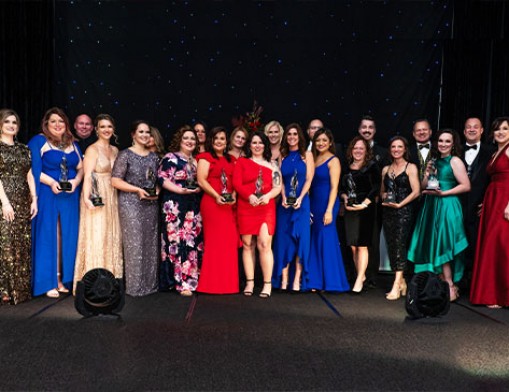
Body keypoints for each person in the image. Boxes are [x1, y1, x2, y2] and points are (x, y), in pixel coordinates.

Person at [407, 129, 470, 302]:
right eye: (440, 141)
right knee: (434, 243)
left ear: (453, 144)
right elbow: (424, 186)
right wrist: (427, 174)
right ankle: (440, 285)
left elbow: (466, 185)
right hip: (432, 205)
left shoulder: (455, 160)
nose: (443, 144)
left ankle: (450, 285)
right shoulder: (434, 161)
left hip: (448, 205)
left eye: (447, 141)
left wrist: (444, 193)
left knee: (445, 243)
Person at [28, 107, 83, 298]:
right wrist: (51, 182)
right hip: (47, 192)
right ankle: (47, 282)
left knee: (66, 235)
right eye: (53, 121)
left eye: (61, 121)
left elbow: (81, 168)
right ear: (46, 124)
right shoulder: (39, 141)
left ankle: (63, 278)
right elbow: (33, 169)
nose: (57, 125)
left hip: (69, 195)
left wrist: (76, 181)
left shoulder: (73, 144)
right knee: (48, 234)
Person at [73, 114, 122, 292]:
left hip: (113, 194)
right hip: (96, 193)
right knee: (97, 234)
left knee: (111, 234)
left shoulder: (116, 150)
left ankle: (111, 279)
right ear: (96, 129)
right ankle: (93, 282)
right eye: (102, 127)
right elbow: (87, 177)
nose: (106, 130)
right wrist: (86, 198)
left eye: (109, 126)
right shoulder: (92, 150)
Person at [111, 120, 159, 297]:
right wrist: (137, 190)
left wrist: (157, 192)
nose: (145, 135)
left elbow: (157, 181)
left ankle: (150, 284)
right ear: (133, 135)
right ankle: (135, 286)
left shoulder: (154, 157)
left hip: (150, 203)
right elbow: (115, 180)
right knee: (134, 243)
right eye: (141, 132)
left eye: (147, 132)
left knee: (150, 242)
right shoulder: (125, 155)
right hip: (131, 203)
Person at [233, 131, 281, 298]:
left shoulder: (272, 165)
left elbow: (278, 187)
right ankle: (250, 282)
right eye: (254, 142)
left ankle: (267, 284)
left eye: (260, 143)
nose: (257, 145)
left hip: (265, 208)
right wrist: (250, 196)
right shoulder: (242, 162)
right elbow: (236, 184)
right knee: (247, 245)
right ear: (249, 145)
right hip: (246, 206)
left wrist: (267, 197)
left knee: (264, 244)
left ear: (265, 145)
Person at [158, 126, 203, 296]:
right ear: (180, 140)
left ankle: (190, 280)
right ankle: (178, 282)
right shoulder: (170, 158)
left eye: (193, 139)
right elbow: (162, 179)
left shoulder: (196, 161)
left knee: (190, 242)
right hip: (175, 206)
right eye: (186, 138)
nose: (190, 141)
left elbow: (200, 182)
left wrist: (198, 188)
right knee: (175, 242)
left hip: (192, 205)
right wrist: (180, 190)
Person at [470, 117, 509, 308]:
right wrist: (485, 202)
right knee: (492, 246)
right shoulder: (496, 152)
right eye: (497, 129)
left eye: (505, 129)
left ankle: (502, 296)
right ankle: (493, 294)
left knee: (501, 246)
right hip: (493, 201)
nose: (500, 132)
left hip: (505, 200)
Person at [0, 109, 37, 304]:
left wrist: (35, 200)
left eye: (14, 122)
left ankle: (20, 291)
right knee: (5, 244)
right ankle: (4, 291)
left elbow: (29, 175)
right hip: (3, 199)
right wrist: (5, 203)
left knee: (21, 244)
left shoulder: (24, 149)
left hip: (23, 199)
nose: (11, 125)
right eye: (7, 121)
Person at [196, 126, 238, 294]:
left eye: (222, 138)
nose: (219, 141)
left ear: (226, 141)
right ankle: (211, 284)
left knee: (228, 243)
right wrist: (216, 196)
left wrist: (233, 195)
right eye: (216, 138)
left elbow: (236, 180)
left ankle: (229, 284)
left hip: (228, 205)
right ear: (211, 141)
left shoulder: (232, 159)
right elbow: (201, 180)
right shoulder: (205, 158)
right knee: (214, 243)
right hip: (212, 204)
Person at [272, 123, 314, 292]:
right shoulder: (283, 156)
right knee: (283, 241)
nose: (291, 137)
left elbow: (309, 179)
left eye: (295, 134)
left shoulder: (307, 155)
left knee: (300, 241)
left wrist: (301, 198)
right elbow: (280, 180)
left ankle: (297, 280)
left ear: (300, 137)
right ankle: (284, 279)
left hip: (302, 204)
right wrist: (282, 197)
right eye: (289, 134)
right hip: (284, 205)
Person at [307, 128, 349, 292]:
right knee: (314, 240)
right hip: (314, 203)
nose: (321, 143)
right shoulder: (313, 159)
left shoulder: (334, 161)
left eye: (324, 140)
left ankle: (330, 282)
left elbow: (334, 188)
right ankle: (315, 281)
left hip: (327, 203)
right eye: (318, 140)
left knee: (327, 239)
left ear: (330, 142)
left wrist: (329, 210)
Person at [380, 136, 420, 300]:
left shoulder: (411, 167)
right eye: (393, 147)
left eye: (399, 147)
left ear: (405, 149)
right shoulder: (385, 169)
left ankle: (396, 284)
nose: (396, 149)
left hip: (404, 212)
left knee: (400, 245)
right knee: (391, 245)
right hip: (388, 212)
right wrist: (384, 197)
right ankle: (402, 281)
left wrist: (400, 204)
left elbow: (416, 191)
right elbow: (382, 191)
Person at [341, 136, 381, 293]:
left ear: (366, 151)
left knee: (362, 245)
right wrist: (344, 199)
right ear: (351, 150)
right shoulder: (347, 167)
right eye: (355, 148)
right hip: (350, 209)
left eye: (361, 148)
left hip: (365, 209)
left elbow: (377, 186)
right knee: (352, 246)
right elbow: (342, 188)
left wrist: (365, 203)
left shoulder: (372, 166)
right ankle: (361, 275)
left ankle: (359, 280)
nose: (358, 151)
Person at [460, 117, 495, 291]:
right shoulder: (456, 150)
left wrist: (487, 202)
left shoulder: (492, 152)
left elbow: (495, 180)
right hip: (457, 205)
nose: (472, 130)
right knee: (457, 243)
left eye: (476, 127)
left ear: (482, 130)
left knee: (476, 244)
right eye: (468, 127)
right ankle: (456, 281)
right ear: (464, 131)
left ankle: (474, 283)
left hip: (480, 207)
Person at [357, 115, 389, 288]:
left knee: (372, 239)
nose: (367, 130)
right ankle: (356, 273)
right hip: (354, 204)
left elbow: (384, 178)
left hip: (374, 203)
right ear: (359, 129)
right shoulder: (352, 149)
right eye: (364, 127)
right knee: (355, 239)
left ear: (375, 131)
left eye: (370, 127)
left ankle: (370, 277)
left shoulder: (383, 153)